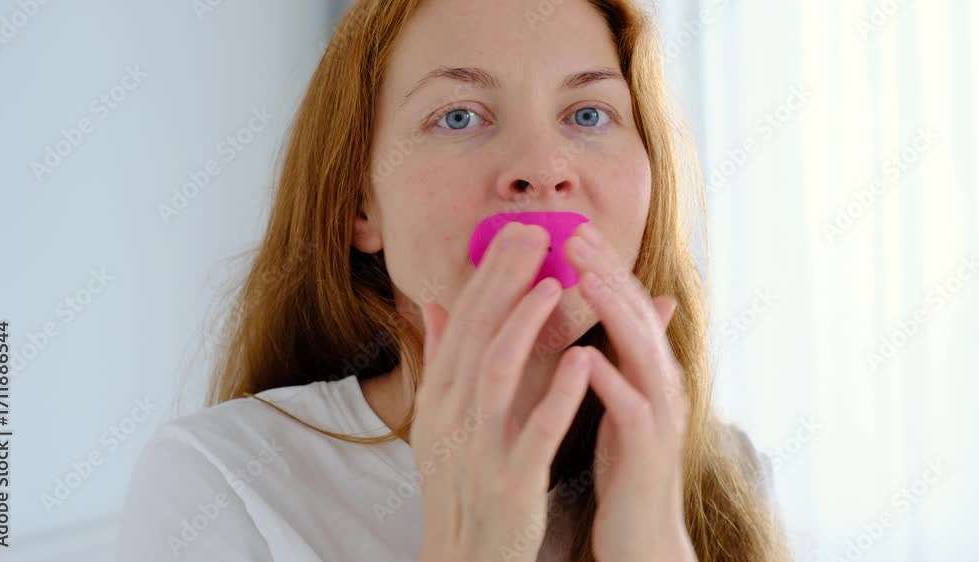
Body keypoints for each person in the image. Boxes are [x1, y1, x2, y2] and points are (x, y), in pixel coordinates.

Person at [116, 0, 789, 560]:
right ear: (360, 205)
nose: (543, 167)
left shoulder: (728, 469)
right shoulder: (218, 481)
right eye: (459, 116)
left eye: (588, 114)